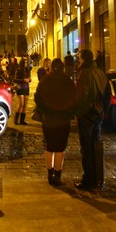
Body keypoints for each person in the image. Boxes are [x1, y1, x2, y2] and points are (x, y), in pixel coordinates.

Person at [34, 58, 77, 186]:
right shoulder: (67, 80)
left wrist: (44, 110)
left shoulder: (45, 80)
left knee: (50, 146)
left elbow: (37, 97)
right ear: (63, 67)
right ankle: (58, 176)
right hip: (63, 119)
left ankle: (49, 174)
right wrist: (68, 111)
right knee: (60, 148)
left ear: (51, 67)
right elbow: (74, 97)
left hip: (48, 118)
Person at [74, 49, 111, 191]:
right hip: (98, 113)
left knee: (86, 148)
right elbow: (107, 96)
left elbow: (82, 94)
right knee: (95, 145)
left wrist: (78, 111)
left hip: (87, 114)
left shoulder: (84, 73)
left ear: (83, 59)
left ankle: (88, 180)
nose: (78, 60)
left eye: (79, 57)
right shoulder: (101, 73)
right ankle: (97, 178)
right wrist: (102, 110)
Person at [13, 58, 31, 125]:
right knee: (21, 104)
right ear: (23, 63)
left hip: (26, 88)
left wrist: (29, 79)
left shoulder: (28, 70)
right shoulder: (18, 70)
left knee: (25, 105)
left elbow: (29, 78)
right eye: (26, 62)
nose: (27, 63)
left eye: (27, 62)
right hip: (20, 88)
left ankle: (22, 120)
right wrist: (23, 80)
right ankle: (16, 119)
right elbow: (15, 79)